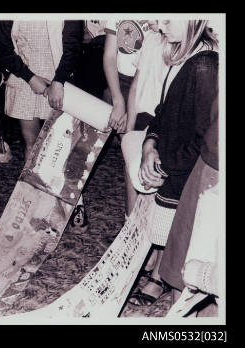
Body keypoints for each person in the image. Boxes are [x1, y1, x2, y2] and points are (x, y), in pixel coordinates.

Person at [128, 20, 218, 307]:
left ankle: (169, 290)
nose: (158, 23)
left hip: (186, 176)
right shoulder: (182, 55)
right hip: (171, 163)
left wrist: (168, 165)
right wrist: (150, 143)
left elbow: (208, 139)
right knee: (167, 238)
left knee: (180, 247)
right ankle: (162, 278)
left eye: (168, 18)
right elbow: (163, 112)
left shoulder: (205, 66)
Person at [159, 96, 219, 314]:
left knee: (193, 263)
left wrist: (200, 274)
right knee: (186, 253)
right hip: (212, 160)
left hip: (215, 165)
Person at [0, 20, 82, 163]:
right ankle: (31, 185)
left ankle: (54, 183)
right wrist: (30, 78)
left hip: (58, 78)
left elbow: (72, 48)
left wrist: (58, 81)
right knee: (32, 145)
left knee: (59, 145)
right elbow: (3, 48)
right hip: (24, 77)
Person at [103, 20, 159, 220]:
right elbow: (109, 56)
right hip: (122, 82)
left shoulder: (161, 32)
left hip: (149, 88)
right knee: (130, 153)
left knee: (143, 156)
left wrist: (132, 109)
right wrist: (119, 100)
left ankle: (140, 220)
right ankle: (130, 220)